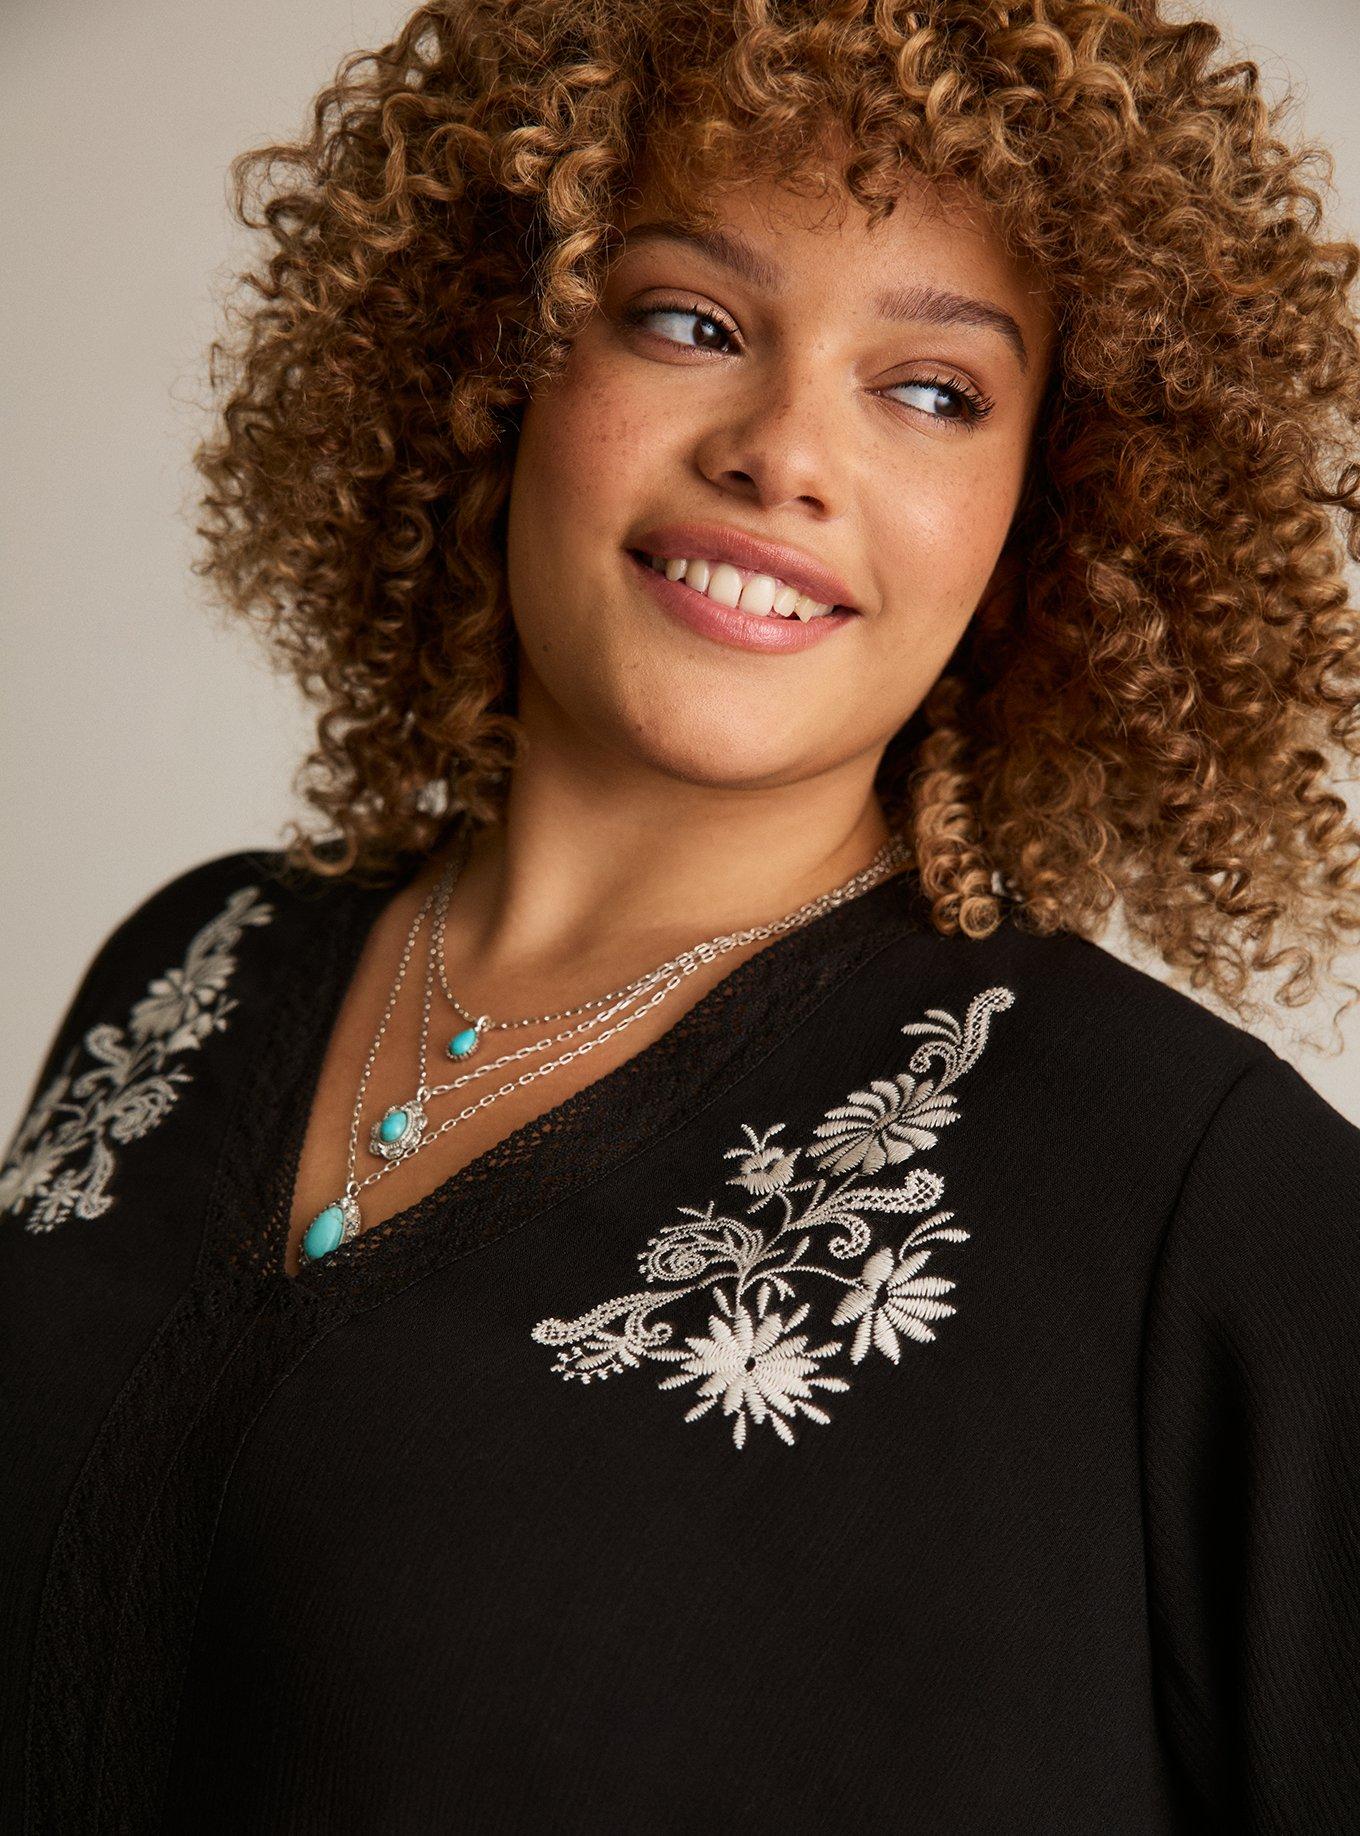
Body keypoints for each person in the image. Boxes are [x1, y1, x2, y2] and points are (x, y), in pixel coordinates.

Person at [3, 0, 1359, 1828]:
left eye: (933, 391)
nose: (783, 453)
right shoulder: (195, 965)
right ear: (500, 354)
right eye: (691, 321)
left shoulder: (1195, 1198)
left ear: (1048, 516)